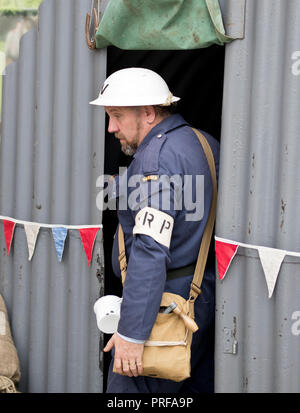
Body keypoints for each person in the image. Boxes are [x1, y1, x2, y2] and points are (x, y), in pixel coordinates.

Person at [90, 68, 220, 393]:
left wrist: (133, 334)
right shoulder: (203, 142)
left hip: (162, 313)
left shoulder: (154, 163)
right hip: (198, 300)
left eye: (117, 115)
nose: (111, 128)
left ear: (148, 112)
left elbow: (150, 250)